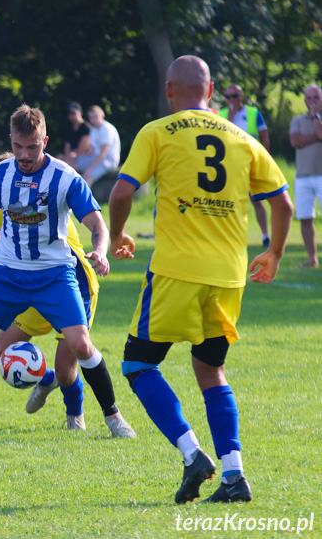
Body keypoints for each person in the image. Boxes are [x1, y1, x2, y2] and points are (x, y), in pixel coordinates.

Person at [109, 56, 293, 504]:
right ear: (211, 92)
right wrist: (273, 253)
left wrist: (115, 236)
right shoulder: (243, 138)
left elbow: (120, 192)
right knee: (211, 368)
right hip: (229, 275)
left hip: (176, 271)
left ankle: (193, 455)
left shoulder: (156, 131)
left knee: (138, 364)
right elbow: (283, 205)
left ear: (170, 89)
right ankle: (234, 476)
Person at [0, 104, 135, 439]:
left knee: (80, 346)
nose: (24, 154)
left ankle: (113, 416)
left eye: (32, 147)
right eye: (18, 146)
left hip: (54, 274)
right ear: (11, 140)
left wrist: (101, 251)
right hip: (6, 272)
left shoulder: (65, 178)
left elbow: (96, 223)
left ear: (44, 141)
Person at [0, 152, 98, 431]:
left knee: (68, 372)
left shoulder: (48, 198)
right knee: (0, 352)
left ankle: (74, 415)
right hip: (30, 289)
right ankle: (45, 378)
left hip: (69, 285)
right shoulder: (0, 208)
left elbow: (39, 235)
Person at [220, 84, 272, 247]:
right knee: (229, 201)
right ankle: (230, 235)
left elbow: (264, 138)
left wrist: (262, 159)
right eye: (227, 97)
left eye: (233, 96)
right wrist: (230, 116)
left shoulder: (253, 113)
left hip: (250, 164)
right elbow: (218, 137)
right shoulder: (221, 114)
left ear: (241, 96)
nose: (231, 100)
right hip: (229, 165)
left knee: (257, 200)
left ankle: (265, 235)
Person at [289, 84, 322, 268]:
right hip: (303, 176)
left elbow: (321, 133)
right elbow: (295, 140)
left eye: (315, 97)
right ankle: (312, 258)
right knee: (304, 218)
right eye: (308, 98)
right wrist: (316, 137)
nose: (311, 101)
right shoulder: (298, 120)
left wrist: (316, 117)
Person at [74, 106, 120, 186]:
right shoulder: (94, 129)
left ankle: (83, 198)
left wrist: (89, 168)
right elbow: (91, 151)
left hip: (109, 161)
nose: (93, 120)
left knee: (87, 176)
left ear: (102, 116)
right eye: (91, 118)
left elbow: (103, 154)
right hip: (96, 157)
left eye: (95, 117)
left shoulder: (106, 129)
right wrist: (76, 156)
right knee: (72, 163)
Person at [57, 102, 91, 167]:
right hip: (72, 157)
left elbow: (83, 148)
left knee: (65, 165)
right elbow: (67, 147)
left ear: (80, 113)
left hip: (84, 157)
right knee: (58, 159)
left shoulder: (86, 128)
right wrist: (67, 155)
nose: (71, 116)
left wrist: (72, 154)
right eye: (69, 113)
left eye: (73, 113)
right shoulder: (70, 128)